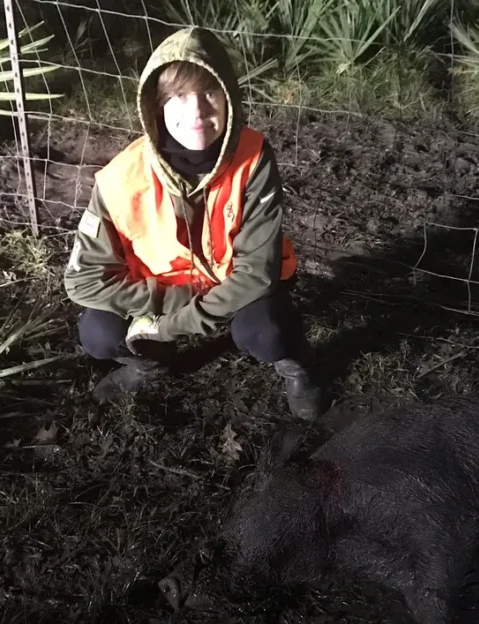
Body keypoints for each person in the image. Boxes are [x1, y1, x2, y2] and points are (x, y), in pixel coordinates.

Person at [63, 26, 328, 420]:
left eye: (210, 92)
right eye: (178, 96)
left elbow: (256, 274)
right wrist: (166, 304)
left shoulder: (254, 158)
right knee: (98, 333)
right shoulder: (121, 177)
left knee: (267, 330)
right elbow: (82, 280)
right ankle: (150, 365)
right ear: (155, 106)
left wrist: (171, 325)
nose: (197, 111)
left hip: (238, 287)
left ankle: (296, 365)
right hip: (161, 292)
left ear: (230, 99)